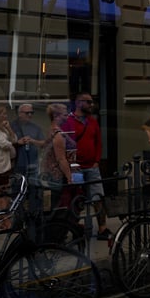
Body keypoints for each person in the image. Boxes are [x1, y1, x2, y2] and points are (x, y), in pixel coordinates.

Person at [62, 91, 110, 240]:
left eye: (92, 102)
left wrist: (96, 160)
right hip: (76, 167)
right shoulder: (68, 121)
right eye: (88, 102)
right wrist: (70, 164)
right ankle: (75, 228)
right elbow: (64, 144)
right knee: (77, 198)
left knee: (98, 196)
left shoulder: (92, 121)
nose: (91, 105)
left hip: (92, 166)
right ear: (78, 103)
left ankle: (102, 228)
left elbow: (98, 142)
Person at [41, 103, 78, 209]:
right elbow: (61, 159)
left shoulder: (52, 130)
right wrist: (69, 177)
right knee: (57, 203)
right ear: (56, 116)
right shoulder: (57, 134)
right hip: (56, 174)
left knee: (55, 203)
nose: (67, 117)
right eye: (65, 115)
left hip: (50, 172)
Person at [10, 103, 47, 209]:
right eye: (27, 113)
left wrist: (33, 141)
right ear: (19, 113)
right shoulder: (12, 127)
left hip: (33, 164)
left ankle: (34, 214)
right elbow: (5, 144)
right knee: (18, 192)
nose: (30, 115)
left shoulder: (35, 128)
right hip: (17, 166)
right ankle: (18, 214)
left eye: (32, 113)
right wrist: (18, 143)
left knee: (35, 192)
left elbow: (44, 143)